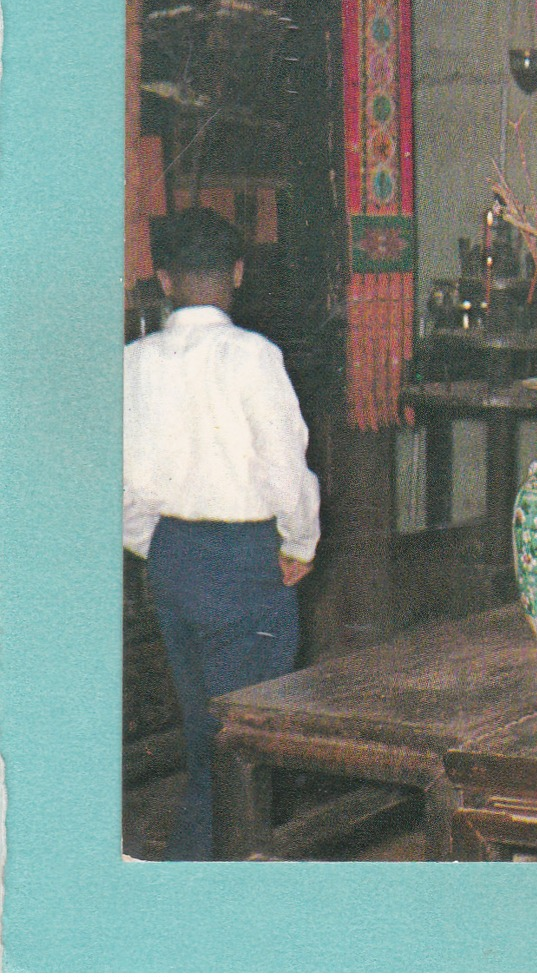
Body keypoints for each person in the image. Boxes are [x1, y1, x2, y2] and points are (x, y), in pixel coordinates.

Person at [123, 208, 321, 859]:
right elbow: (283, 463)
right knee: (247, 751)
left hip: (173, 557)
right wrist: (299, 540)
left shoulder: (134, 362)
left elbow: (118, 477)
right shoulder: (252, 356)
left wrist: (160, 549)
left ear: (163, 277)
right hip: (244, 559)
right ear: (237, 273)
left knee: (204, 745)